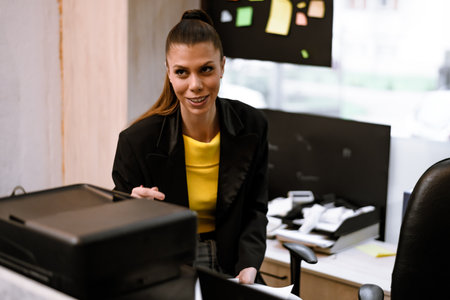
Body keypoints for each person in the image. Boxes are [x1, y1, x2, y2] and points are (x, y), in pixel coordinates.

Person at [112, 9, 268, 285]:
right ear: (169, 73)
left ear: (222, 66)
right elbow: (117, 227)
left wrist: (249, 265)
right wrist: (130, 209)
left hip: (233, 265)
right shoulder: (137, 141)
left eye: (206, 69)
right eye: (182, 72)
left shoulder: (252, 126)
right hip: (165, 269)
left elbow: (255, 210)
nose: (194, 85)